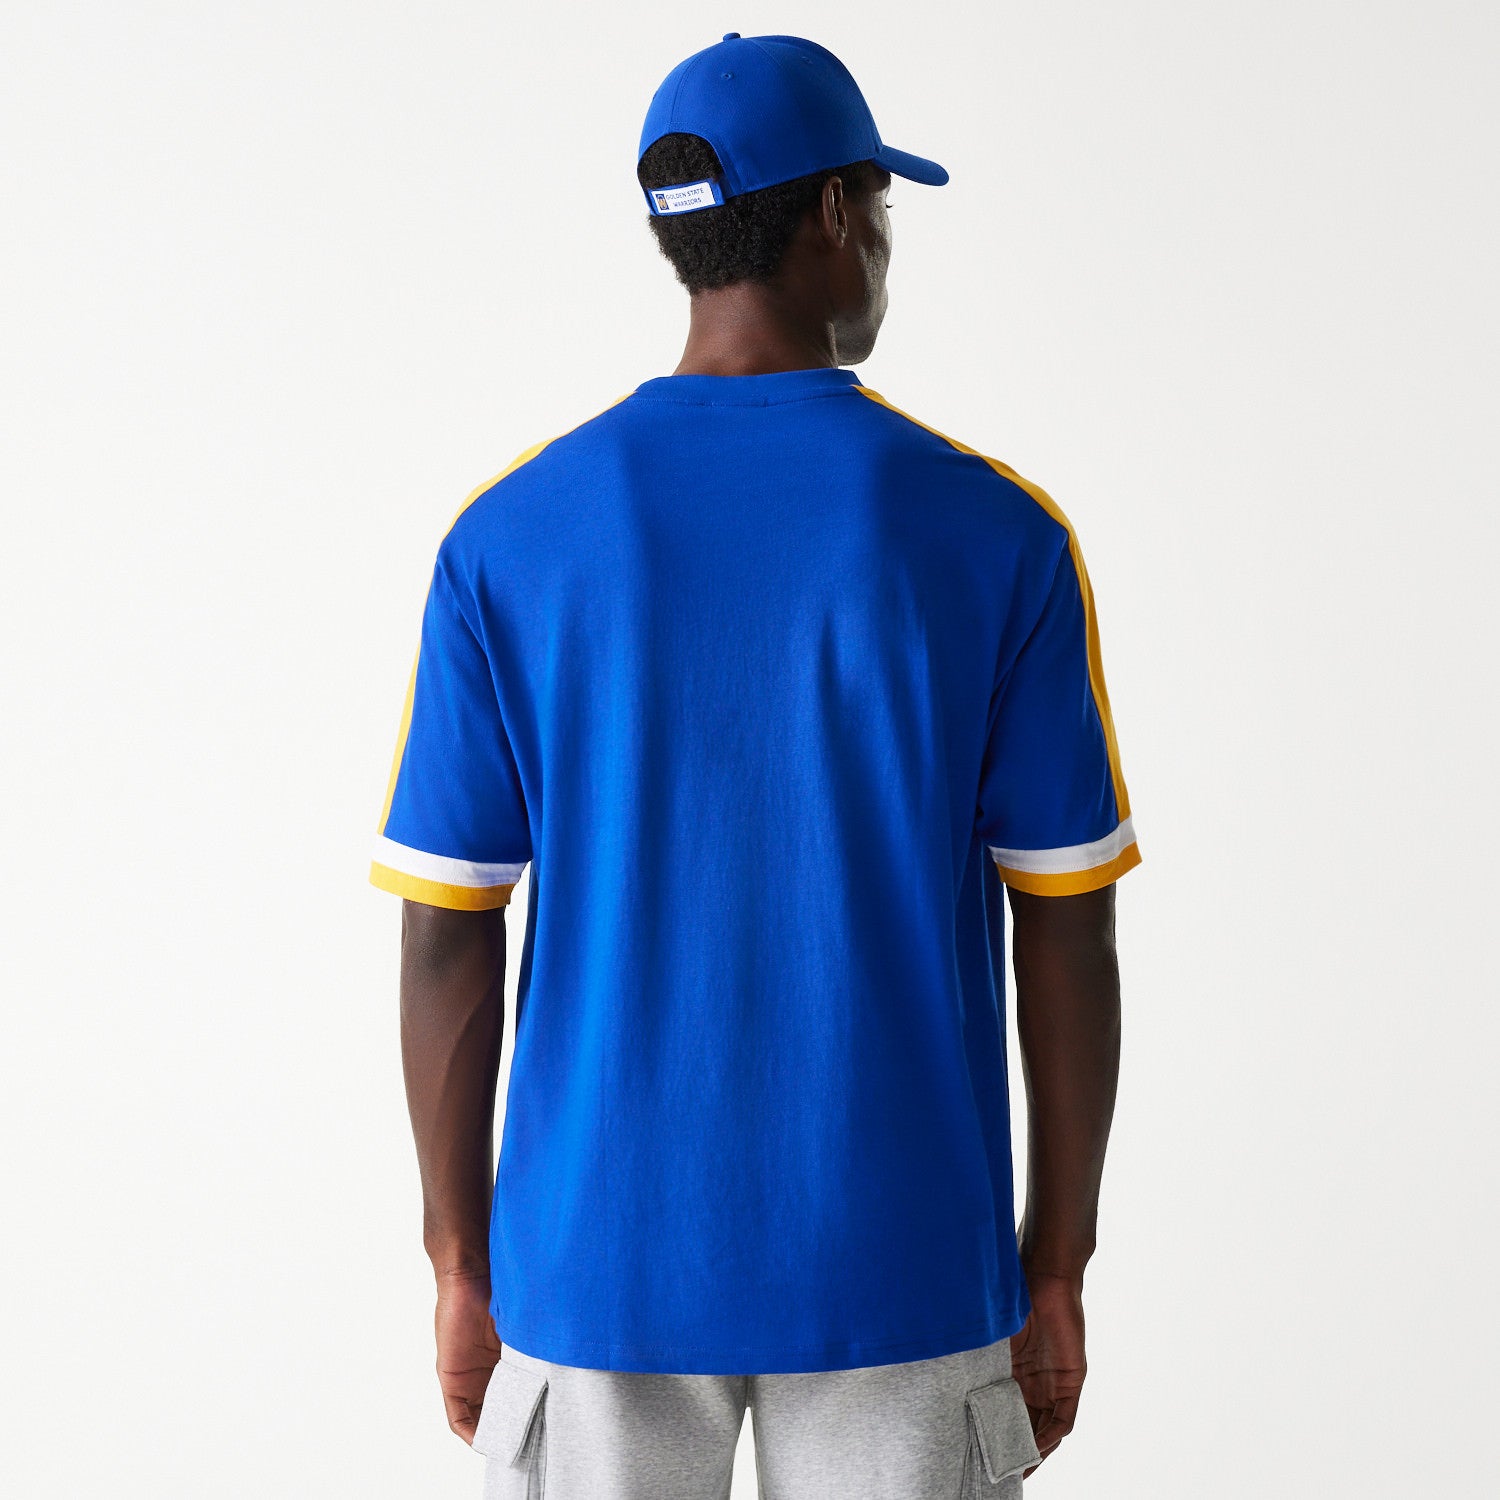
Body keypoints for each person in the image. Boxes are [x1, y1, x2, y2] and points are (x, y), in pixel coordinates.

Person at [370, 31, 1140, 1500]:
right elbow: (1068, 923)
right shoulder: (995, 535)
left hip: (595, 1265)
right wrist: (1057, 1264)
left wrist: (459, 1266)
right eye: (884, 206)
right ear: (838, 212)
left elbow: (445, 934)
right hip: (905, 1264)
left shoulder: (512, 537)